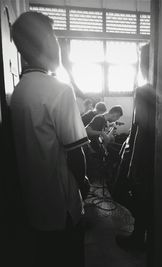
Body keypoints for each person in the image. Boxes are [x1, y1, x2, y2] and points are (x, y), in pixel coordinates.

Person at [10, 11, 89, 267]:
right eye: (54, 38)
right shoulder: (59, 91)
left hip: (34, 206)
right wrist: (84, 185)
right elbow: (77, 155)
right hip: (61, 209)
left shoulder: (19, 92)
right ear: (46, 42)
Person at [115, 43, 156, 252]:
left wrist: (131, 164)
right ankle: (143, 232)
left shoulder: (144, 91)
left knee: (121, 190)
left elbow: (141, 129)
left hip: (142, 156)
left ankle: (141, 233)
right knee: (147, 197)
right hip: (156, 156)